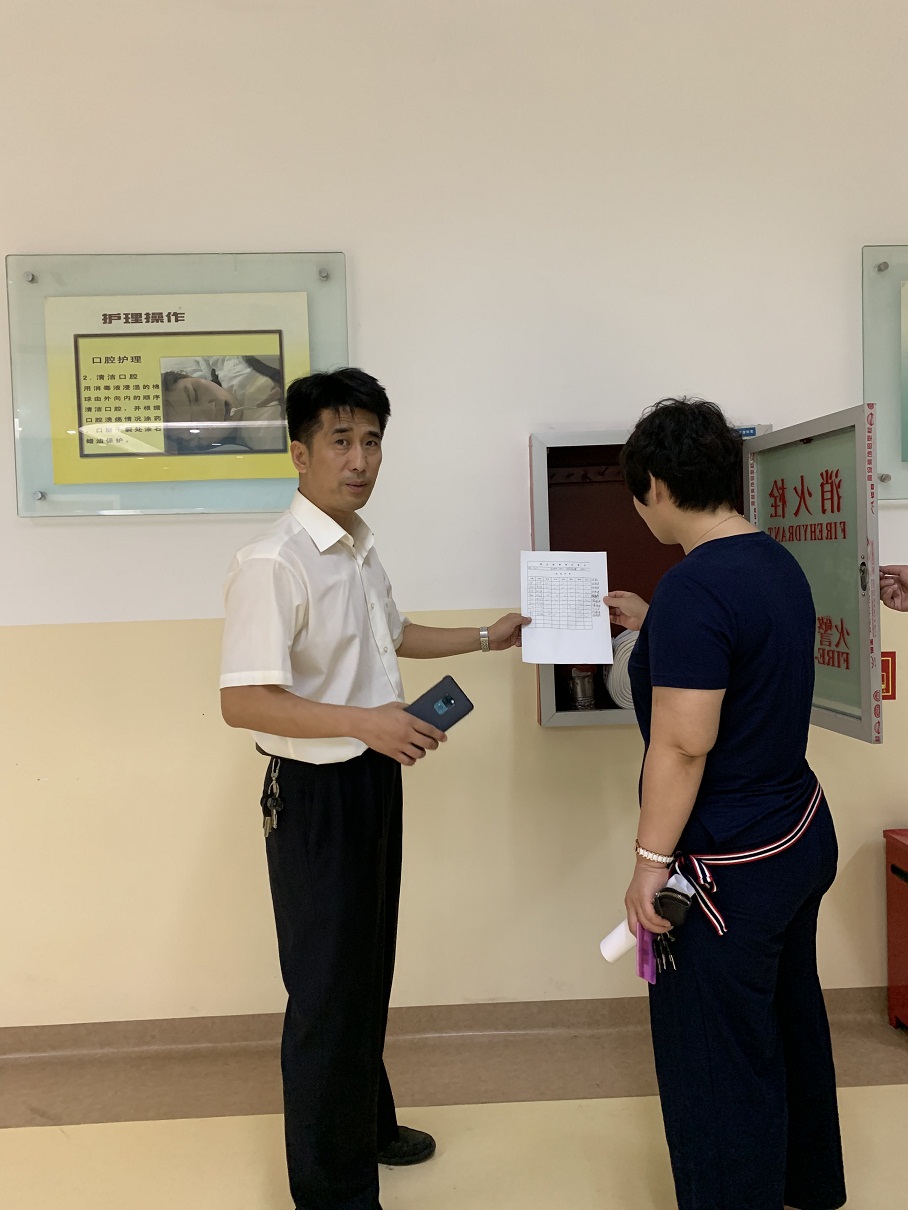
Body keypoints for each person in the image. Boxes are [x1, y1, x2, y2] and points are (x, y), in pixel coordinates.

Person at [219, 368, 529, 1210]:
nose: (359, 459)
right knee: (325, 991)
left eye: (372, 441)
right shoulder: (272, 562)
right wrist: (366, 723)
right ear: (300, 453)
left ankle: (367, 1126)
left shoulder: (358, 546)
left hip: (372, 782)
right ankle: (333, 1191)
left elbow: (394, 635)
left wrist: (486, 637)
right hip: (314, 798)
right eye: (341, 441)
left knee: (366, 969)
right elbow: (243, 700)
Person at [604, 398, 845, 1210]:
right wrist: (656, 623)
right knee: (787, 1016)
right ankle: (807, 1184)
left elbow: (683, 744)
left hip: (730, 867)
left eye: (638, 494)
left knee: (717, 1055)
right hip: (797, 835)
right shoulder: (774, 562)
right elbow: (744, 658)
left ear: (656, 485)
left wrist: (648, 866)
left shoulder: (693, 588)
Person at [161, 367, 285, 454]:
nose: (211, 409)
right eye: (197, 425)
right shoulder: (268, 441)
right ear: (200, 445)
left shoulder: (232, 364)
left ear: (190, 377)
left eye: (195, 394)